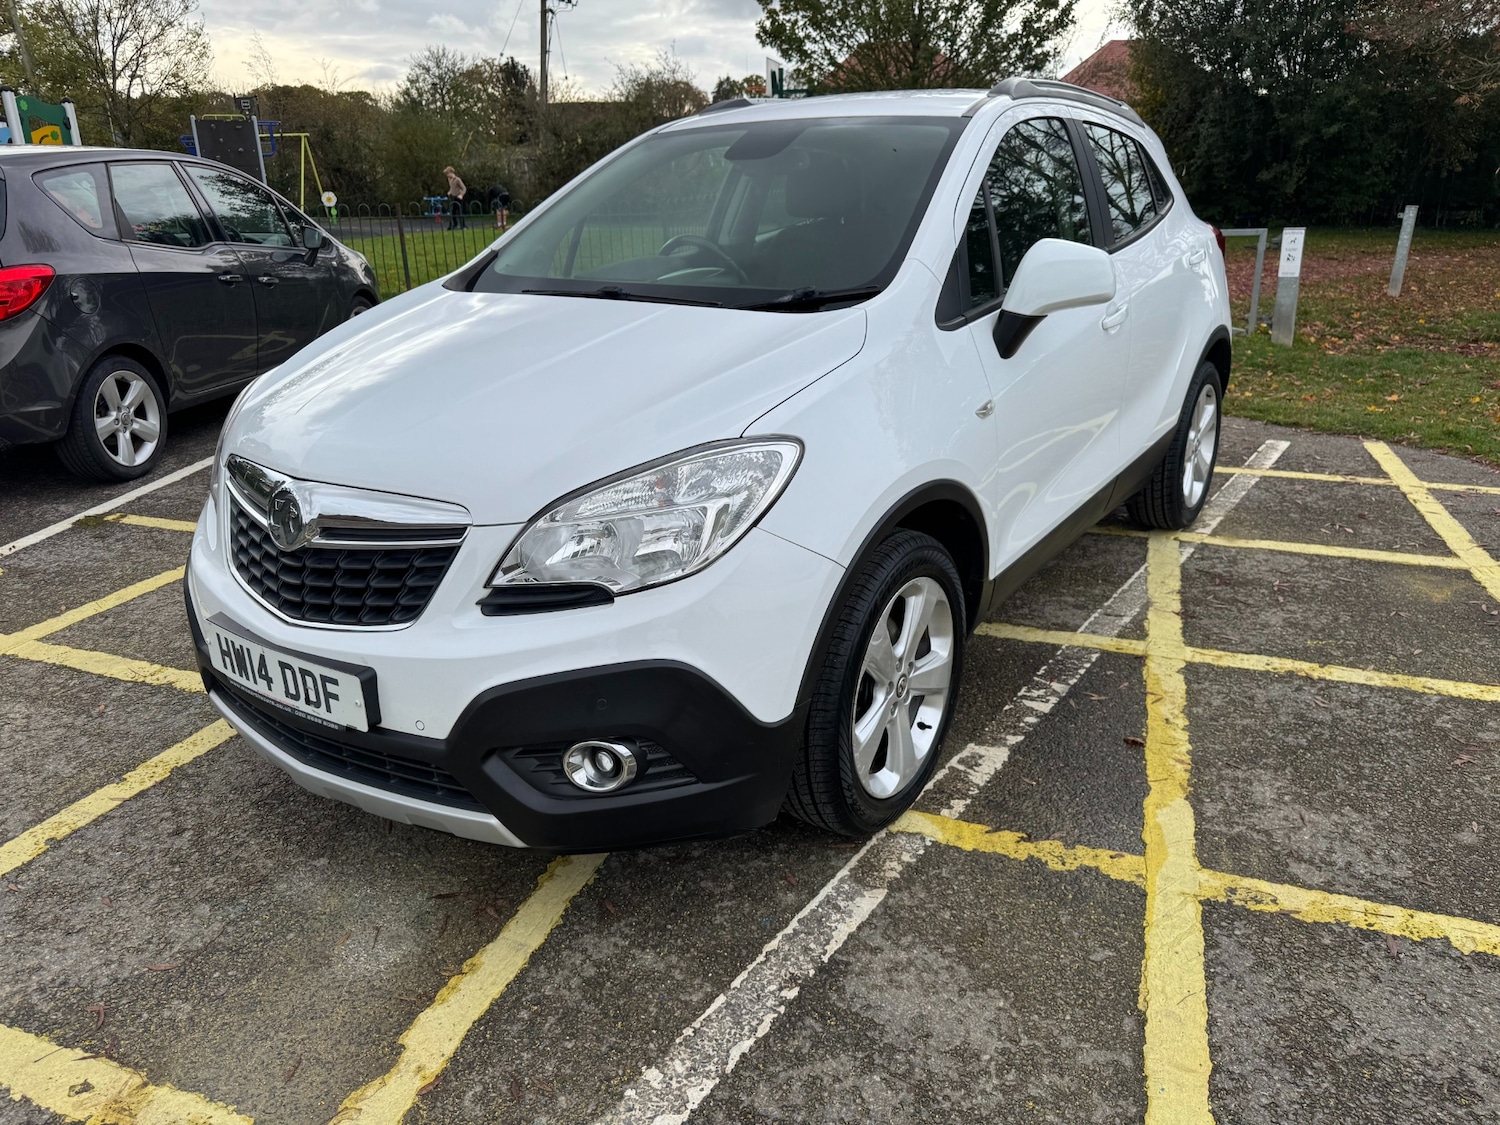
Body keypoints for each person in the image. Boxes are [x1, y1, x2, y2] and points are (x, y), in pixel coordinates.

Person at [443, 165, 467, 230]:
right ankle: (454, 225)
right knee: (452, 212)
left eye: (448, 174)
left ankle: (463, 226)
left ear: (451, 172)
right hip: (453, 197)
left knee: (460, 212)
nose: (447, 175)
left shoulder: (457, 179)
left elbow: (464, 188)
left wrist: (461, 195)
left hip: (458, 197)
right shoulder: (449, 179)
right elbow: (452, 187)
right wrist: (450, 191)